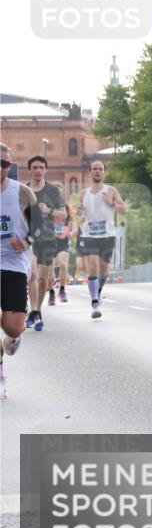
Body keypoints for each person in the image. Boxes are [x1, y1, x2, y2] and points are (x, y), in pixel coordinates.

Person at [1, 143, 37, 400]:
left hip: (14, 264)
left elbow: (41, 226)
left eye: (4, 164)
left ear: (9, 166)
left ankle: (12, 338)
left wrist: (26, 242)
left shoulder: (22, 193)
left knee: (13, 328)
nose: (0, 168)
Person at [76, 161, 128, 318]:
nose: (97, 171)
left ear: (104, 172)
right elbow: (80, 212)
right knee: (92, 267)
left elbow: (124, 210)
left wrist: (112, 203)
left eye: (100, 169)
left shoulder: (111, 190)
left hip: (107, 235)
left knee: (103, 271)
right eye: (95, 169)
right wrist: (79, 211)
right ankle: (94, 303)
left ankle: (98, 292)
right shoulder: (84, 193)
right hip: (89, 235)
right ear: (90, 172)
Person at [24, 156, 67, 331]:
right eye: (35, 167)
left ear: (45, 170)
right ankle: (34, 311)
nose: (38, 170)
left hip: (49, 240)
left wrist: (49, 211)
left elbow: (63, 214)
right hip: (29, 240)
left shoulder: (53, 191)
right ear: (29, 170)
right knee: (32, 275)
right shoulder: (24, 191)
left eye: (41, 167)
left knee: (43, 279)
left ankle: (36, 311)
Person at [51, 193, 77, 303]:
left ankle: (62, 290)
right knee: (50, 267)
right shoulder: (48, 208)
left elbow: (74, 226)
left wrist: (72, 233)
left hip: (63, 241)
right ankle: (51, 292)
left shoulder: (66, 208)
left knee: (62, 263)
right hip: (50, 242)